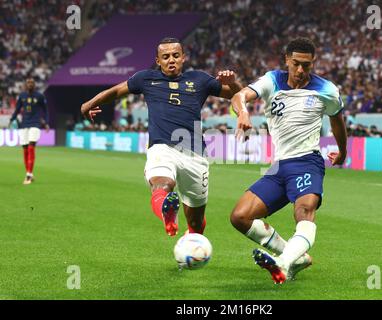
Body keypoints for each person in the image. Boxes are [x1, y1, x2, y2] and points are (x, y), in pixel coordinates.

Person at [81, 37, 242, 237]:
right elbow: (116, 91)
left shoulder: (199, 80)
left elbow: (239, 95)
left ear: (184, 57)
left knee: (196, 222)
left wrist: (233, 83)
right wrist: (89, 102)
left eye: (175, 55)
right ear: (158, 61)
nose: (171, 60)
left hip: (195, 155)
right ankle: (168, 212)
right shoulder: (146, 79)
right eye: (165, 57)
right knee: (162, 184)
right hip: (162, 148)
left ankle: (192, 239)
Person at [229, 38, 347, 284]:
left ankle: (282, 265)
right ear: (286, 60)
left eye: (307, 65)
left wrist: (343, 151)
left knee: (303, 211)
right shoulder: (272, 80)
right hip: (280, 166)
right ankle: (296, 257)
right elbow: (240, 95)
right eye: (296, 64)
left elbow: (337, 121)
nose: (301, 70)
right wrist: (243, 111)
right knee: (240, 217)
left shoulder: (327, 90)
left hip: (307, 161)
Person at [9, 77, 49, 185]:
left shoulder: (40, 96)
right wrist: (12, 119)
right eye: (28, 83)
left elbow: (45, 110)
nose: (30, 84)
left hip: (35, 124)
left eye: (32, 82)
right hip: (24, 124)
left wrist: (46, 122)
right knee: (25, 149)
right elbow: (17, 109)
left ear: (34, 85)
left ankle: (29, 175)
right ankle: (28, 172)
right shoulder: (22, 96)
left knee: (31, 147)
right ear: (26, 85)